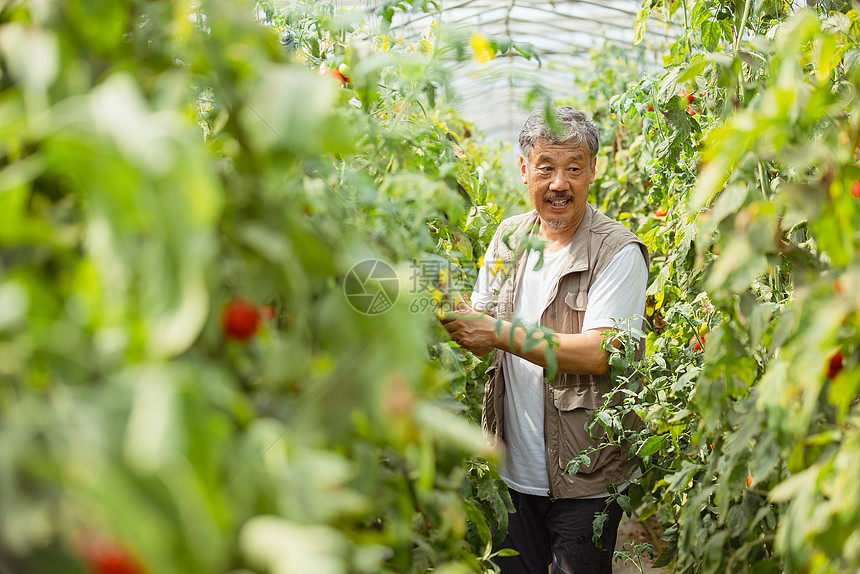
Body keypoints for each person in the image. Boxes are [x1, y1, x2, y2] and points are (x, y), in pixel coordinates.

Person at [442, 106, 649, 574]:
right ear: (524, 170)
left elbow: (599, 353)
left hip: (586, 476)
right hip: (512, 469)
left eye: (574, 168)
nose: (560, 183)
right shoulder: (509, 238)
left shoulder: (617, 252)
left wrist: (494, 331)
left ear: (593, 170)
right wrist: (438, 300)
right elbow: (482, 332)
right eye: (547, 168)